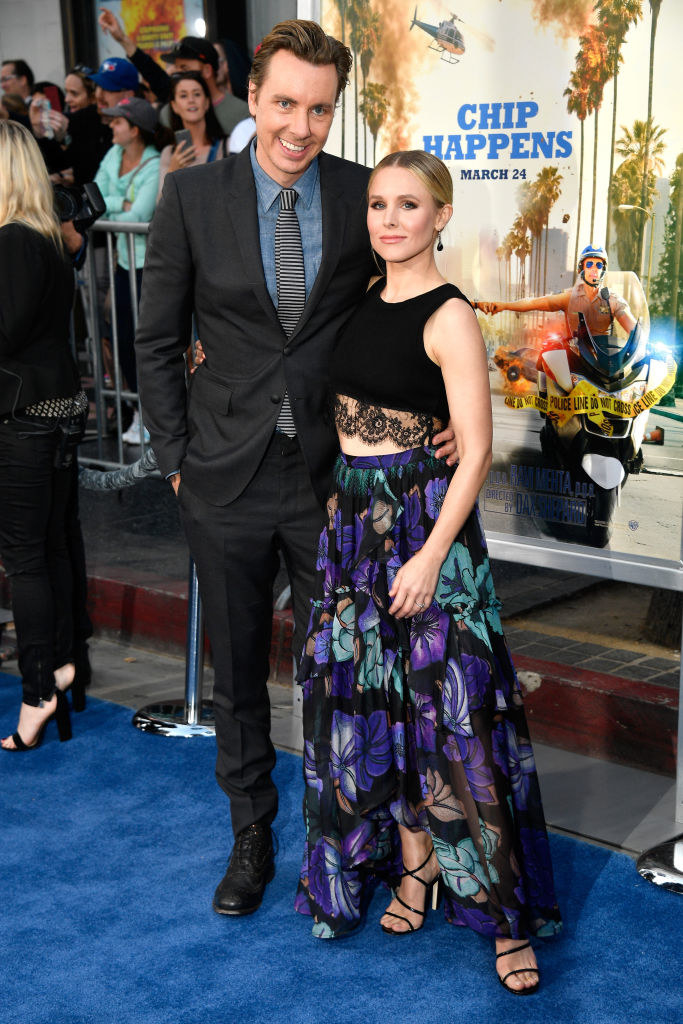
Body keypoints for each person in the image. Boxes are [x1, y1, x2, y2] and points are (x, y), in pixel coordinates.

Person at [135, 19, 457, 919]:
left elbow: (415, 305)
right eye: (284, 103)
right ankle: (249, 833)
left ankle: (339, 833)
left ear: (333, 110)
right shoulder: (193, 198)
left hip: (333, 482)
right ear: (255, 95)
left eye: (318, 109)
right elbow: (157, 338)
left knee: (342, 670)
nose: (299, 126)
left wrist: (449, 418)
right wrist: (173, 461)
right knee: (237, 674)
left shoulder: (364, 196)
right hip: (220, 475)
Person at [295, 150, 562, 994]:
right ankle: (415, 869)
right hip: (352, 525)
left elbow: (475, 449)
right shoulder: (363, 296)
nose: (389, 219)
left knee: (456, 717)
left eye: (408, 205)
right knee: (374, 705)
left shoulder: (451, 315)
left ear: (440, 215)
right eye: (378, 204)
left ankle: (504, 918)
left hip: (424, 529)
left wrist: (430, 553)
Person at [0, 120, 88, 750]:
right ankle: (61, 665)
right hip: (55, 412)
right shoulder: (51, 238)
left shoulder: (12, 241)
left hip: (23, 420)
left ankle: (37, 692)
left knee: (26, 559)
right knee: (52, 548)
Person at [95, 97, 162, 446]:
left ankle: (155, 417)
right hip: (122, 264)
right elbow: (95, 195)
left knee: (149, 344)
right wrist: (121, 205)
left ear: (134, 129)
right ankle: (139, 413)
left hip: (148, 268)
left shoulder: (153, 163)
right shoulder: (112, 156)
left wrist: (114, 206)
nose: (111, 126)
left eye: (117, 122)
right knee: (123, 341)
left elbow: (141, 215)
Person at [97, 9, 248, 137]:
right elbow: (153, 73)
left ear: (207, 70)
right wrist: (122, 39)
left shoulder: (242, 114)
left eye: (184, 68)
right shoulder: (171, 109)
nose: (176, 74)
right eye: (176, 68)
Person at [476, 244, 636, 338]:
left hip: (605, 363)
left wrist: (644, 344)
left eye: (598, 265)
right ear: (582, 268)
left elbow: (634, 330)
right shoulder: (569, 298)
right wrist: (504, 306)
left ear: (603, 270)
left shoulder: (613, 301)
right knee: (548, 358)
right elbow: (534, 303)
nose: (594, 269)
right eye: (589, 264)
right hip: (576, 360)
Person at [157, 72, 228, 198]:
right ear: (174, 106)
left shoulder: (226, 146)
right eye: (183, 96)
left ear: (206, 102)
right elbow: (160, 206)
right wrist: (173, 170)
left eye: (197, 94)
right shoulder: (169, 153)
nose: (191, 100)